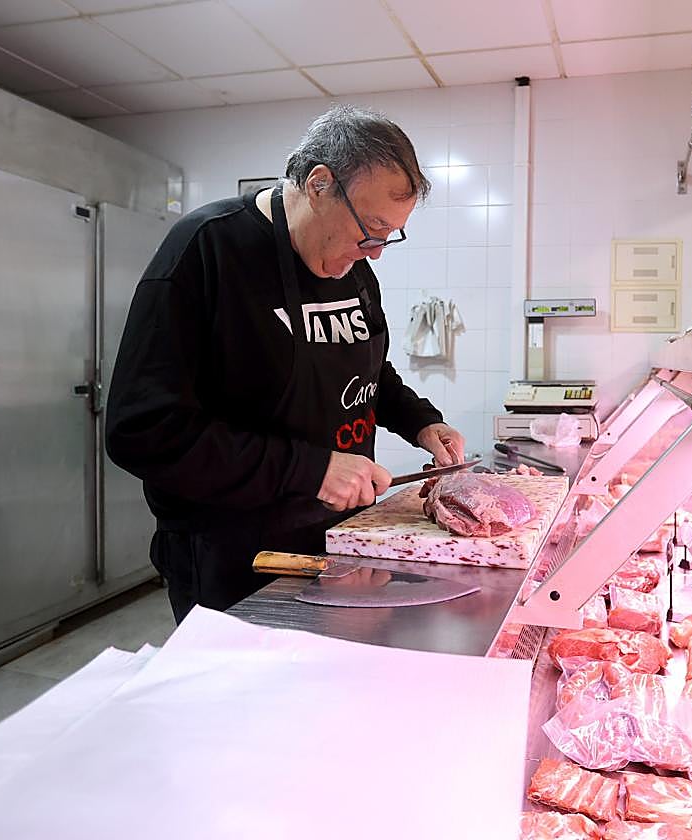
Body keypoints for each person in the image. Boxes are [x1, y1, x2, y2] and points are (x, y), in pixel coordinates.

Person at [106, 105, 465, 622]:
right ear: (320, 184)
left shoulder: (353, 267)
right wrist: (310, 469)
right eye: (372, 229)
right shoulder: (207, 250)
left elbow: (367, 368)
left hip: (340, 538)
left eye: (390, 235)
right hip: (232, 553)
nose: (376, 251)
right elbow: (142, 428)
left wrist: (421, 420)